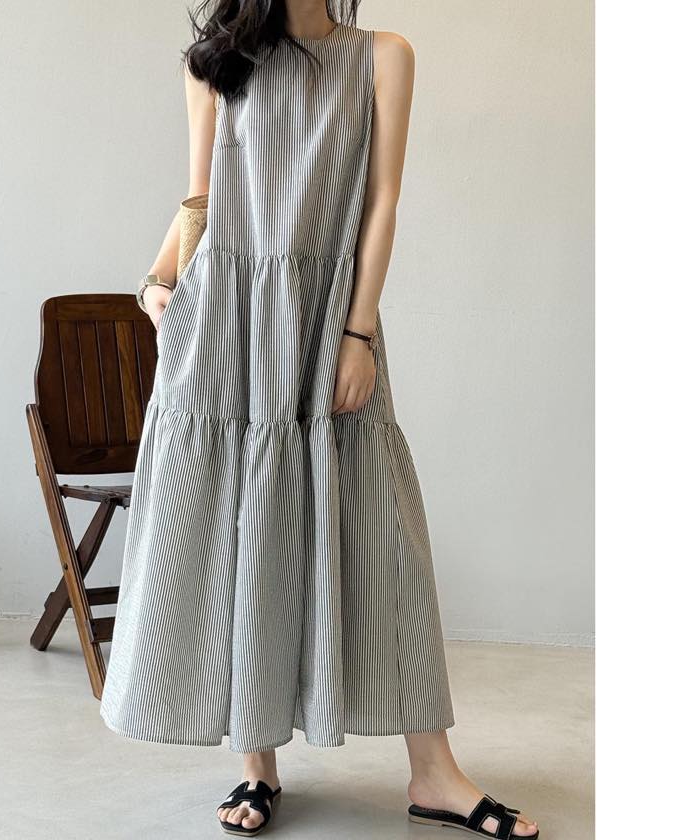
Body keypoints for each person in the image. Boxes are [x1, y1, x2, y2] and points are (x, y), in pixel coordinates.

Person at [100, 2, 539, 837]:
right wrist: (157, 286)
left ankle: (435, 774)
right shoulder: (213, 66)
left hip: (329, 317)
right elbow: (201, 201)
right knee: (245, 531)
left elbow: (381, 201)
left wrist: (358, 332)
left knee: (387, 539)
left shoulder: (383, 56)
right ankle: (256, 766)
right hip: (226, 327)